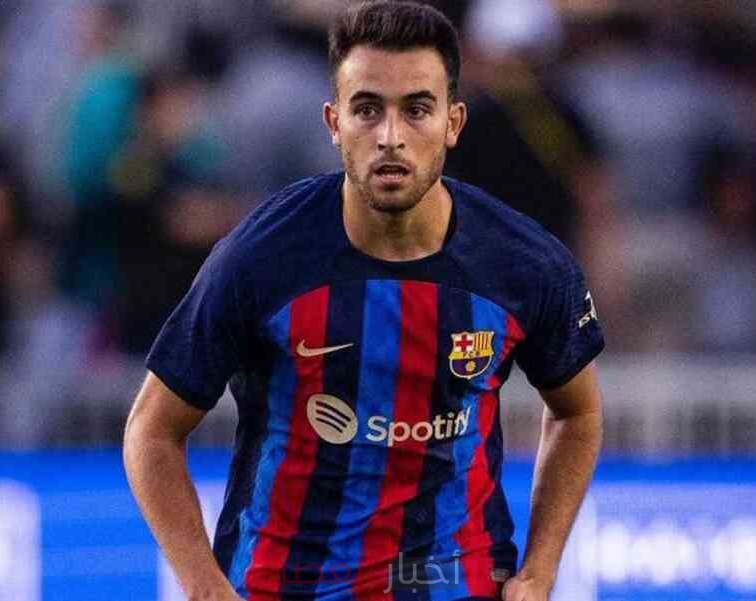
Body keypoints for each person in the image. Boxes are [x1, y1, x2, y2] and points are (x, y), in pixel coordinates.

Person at [123, 3, 604, 600]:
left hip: (455, 584)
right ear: (334, 121)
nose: (390, 137)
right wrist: (203, 585)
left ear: (453, 122)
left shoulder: (525, 263)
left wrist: (540, 568)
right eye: (367, 108)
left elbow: (578, 413)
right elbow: (151, 431)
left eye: (417, 109)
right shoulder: (261, 257)